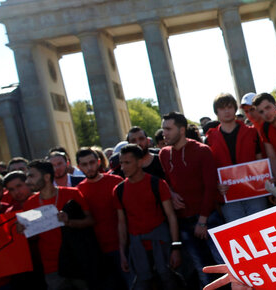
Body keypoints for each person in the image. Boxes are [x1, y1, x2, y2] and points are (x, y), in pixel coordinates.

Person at [159, 111, 218, 286]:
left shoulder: (202, 151)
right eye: (163, 129)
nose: (165, 133)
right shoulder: (163, 154)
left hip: (209, 220)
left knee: (225, 266)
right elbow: (166, 182)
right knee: (203, 271)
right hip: (184, 223)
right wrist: (170, 192)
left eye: (169, 129)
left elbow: (210, 186)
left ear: (182, 129)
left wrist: (203, 220)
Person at [115, 144, 181, 290]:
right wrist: (122, 254)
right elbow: (121, 223)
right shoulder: (119, 190)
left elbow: (171, 216)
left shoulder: (157, 183)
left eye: (127, 162)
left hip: (161, 243)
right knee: (142, 283)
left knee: (169, 279)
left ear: (139, 162)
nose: (123, 167)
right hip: (137, 247)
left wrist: (176, 247)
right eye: (121, 163)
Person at [22, 160, 94, 289]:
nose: (27, 181)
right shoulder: (29, 204)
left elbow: (90, 221)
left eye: (31, 176)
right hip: (51, 266)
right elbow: (33, 237)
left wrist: (69, 222)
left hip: (77, 260)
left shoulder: (72, 194)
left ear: (47, 177)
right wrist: (23, 230)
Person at [205, 93, 268, 222]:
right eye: (222, 108)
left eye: (229, 107)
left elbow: (260, 159)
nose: (227, 111)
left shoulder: (251, 132)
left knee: (262, 226)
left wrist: (266, 176)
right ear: (216, 112)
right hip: (228, 195)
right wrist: (217, 184)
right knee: (239, 234)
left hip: (254, 191)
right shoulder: (210, 138)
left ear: (235, 109)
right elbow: (209, 169)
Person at [75, 148, 126, 289]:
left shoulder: (116, 181)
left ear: (98, 162)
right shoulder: (79, 190)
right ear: (79, 167)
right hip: (98, 251)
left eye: (92, 162)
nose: (89, 167)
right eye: (84, 164)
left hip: (123, 245)